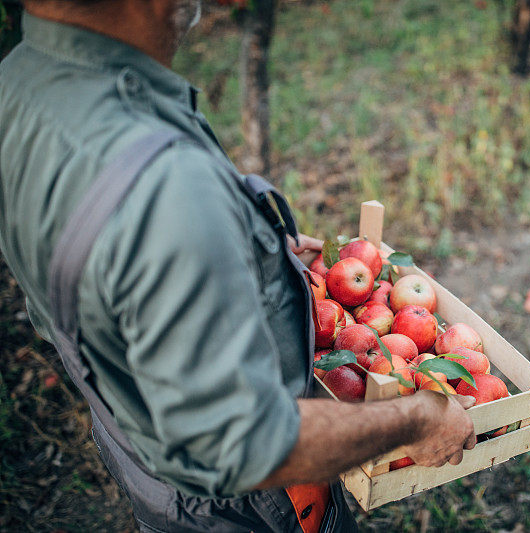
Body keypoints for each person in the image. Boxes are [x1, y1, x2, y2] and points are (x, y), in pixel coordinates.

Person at [0, 0, 477, 531]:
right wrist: (416, 418)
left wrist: (236, 255)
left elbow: (75, 288)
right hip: (246, 509)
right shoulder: (169, 186)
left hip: (143, 458)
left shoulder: (18, 84)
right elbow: (246, 441)